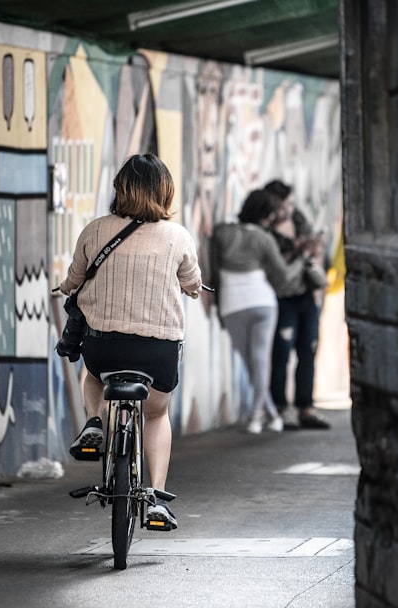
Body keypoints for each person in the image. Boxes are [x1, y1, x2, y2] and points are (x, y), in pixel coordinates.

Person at [58, 153, 202, 531]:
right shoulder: (178, 237)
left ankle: (94, 422)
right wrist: (191, 288)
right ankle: (156, 495)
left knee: (92, 373)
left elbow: (74, 278)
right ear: (165, 192)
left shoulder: (94, 230)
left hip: (105, 346)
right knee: (155, 414)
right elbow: (192, 282)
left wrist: (67, 288)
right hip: (158, 351)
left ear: (120, 189)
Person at [211, 189, 308, 434]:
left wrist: (218, 309)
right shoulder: (264, 239)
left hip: (232, 305)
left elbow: (214, 275)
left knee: (251, 363)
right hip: (263, 303)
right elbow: (284, 276)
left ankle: (260, 414)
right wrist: (302, 260)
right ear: (266, 217)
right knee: (260, 361)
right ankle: (266, 414)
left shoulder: (222, 233)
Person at [263, 180, 330, 430]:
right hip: (282, 297)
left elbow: (317, 252)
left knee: (308, 350)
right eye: (283, 205)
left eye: (289, 203)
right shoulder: (266, 231)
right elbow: (276, 267)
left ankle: (306, 407)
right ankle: (281, 408)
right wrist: (299, 251)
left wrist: (314, 254)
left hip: (307, 295)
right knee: (281, 353)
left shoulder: (300, 221)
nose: (288, 209)